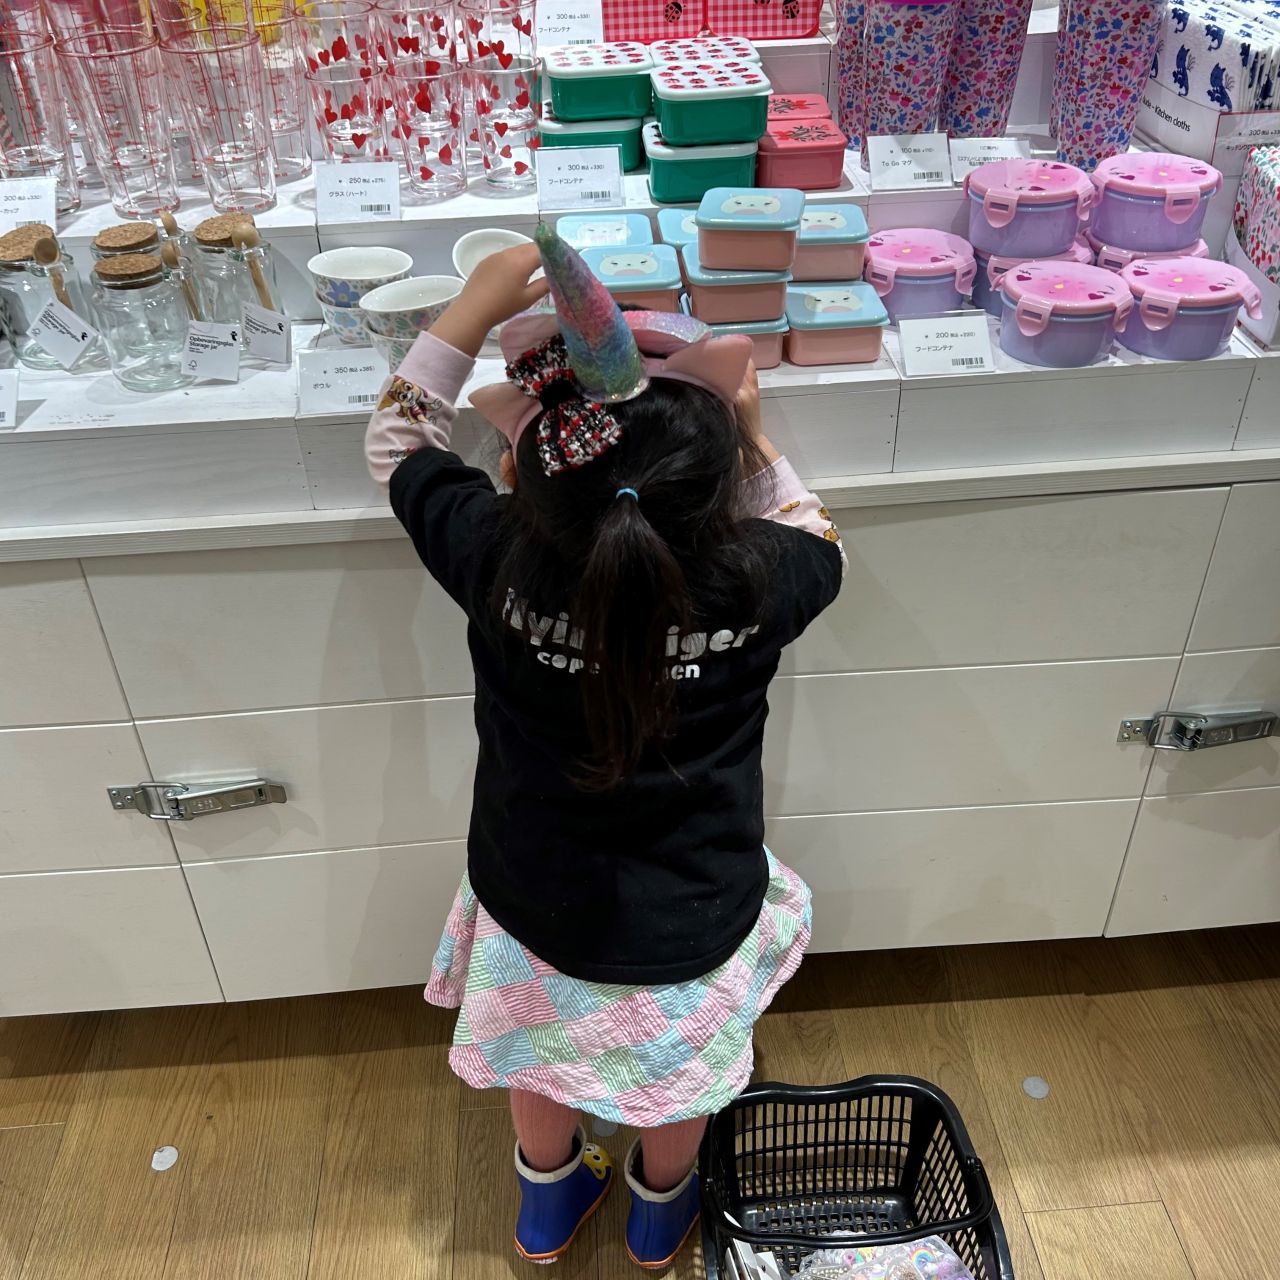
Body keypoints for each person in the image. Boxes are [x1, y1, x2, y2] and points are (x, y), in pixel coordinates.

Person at [364, 227, 844, 1270]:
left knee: (537, 1060)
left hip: (534, 896)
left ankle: (546, 1208)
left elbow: (398, 442)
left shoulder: (496, 556)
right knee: (679, 1085)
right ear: (718, 491)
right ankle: (658, 1214)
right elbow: (817, 534)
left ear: (518, 476)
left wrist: (474, 305)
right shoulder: (762, 577)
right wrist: (753, 438)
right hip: (694, 908)